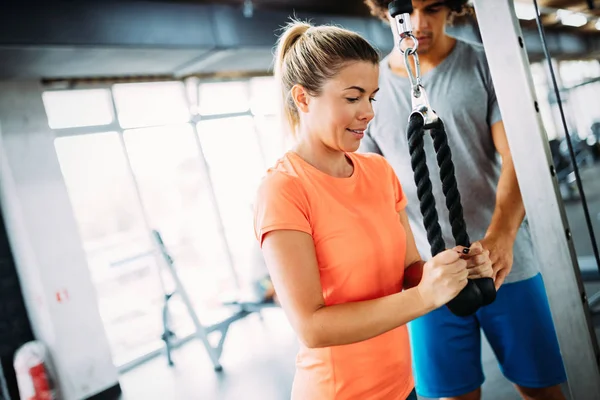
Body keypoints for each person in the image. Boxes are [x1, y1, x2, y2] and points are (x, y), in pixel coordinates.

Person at [253, 18, 493, 400]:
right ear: (303, 98)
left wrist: (451, 271)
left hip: (402, 386)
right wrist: (423, 297)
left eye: (372, 97)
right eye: (352, 97)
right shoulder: (283, 190)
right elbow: (312, 327)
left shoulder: (379, 171)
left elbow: (410, 272)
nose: (368, 112)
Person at [360, 1, 568, 400]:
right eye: (407, 9)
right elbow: (375, 192)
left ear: (451, 8)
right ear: (384, 10)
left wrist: (502, 236)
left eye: (433, 8)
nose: (419, 24)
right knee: (453, 396)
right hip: (425, 273)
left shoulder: (484, 65)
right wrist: (407, 269)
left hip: (506, 263)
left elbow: (518, 156)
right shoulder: (370, 89)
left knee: (542, 390)